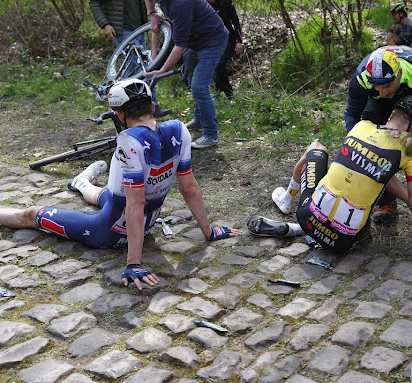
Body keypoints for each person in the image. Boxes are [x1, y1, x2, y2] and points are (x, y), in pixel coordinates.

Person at [0, 79, 241, 289]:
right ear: (153, 108)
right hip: (145, 224)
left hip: (107, 233)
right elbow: (189, 188)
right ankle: (81, 182)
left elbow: (135, 202)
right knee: (105, 194)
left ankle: (80, 184)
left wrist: (133, 263)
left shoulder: (127, 140)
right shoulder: (180, 130)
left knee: (30, 215)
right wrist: (209, 232)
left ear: (120, 116)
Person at [249, 96, 412, 256]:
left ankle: (288, 203)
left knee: (316, 147)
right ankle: (301, 228)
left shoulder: (361, 126)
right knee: (357, 206)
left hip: (308, 217)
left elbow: (383, 175)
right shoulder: (407, 150)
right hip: (346, 240)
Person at [345, 47, 412, 223]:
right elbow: (352, 115)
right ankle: (386, 202)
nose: (383, 92)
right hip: (378, 102)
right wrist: (360, 142)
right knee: (373, 137)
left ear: (400, 72)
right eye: (377, 87)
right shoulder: (362, 79)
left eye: (387, 85)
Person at [141, 0, 229, 149]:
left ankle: (211, 135)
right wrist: (152, 13)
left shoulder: (181, 1)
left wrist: (162, 69)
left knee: (199, 86)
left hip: (212, 41)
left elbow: (179, 46)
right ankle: (199, 119)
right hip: (196, 40)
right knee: (189, 78)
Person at [89, 0, 170, 118]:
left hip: (141, 29)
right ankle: (149, 108)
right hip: (122, 32)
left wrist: (156, 14)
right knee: (140, 69)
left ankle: (134, 108)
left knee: (141, 68)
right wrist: (106, 24)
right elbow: (94, 2)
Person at [200, 0, 244, 99]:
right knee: (216, 66)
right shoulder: (200, 4)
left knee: (219, 64)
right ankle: (226, 95)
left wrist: (239, 41)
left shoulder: (225, 2)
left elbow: (235, 21)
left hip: (228, 40)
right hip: (209, 42)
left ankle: (223, 94)